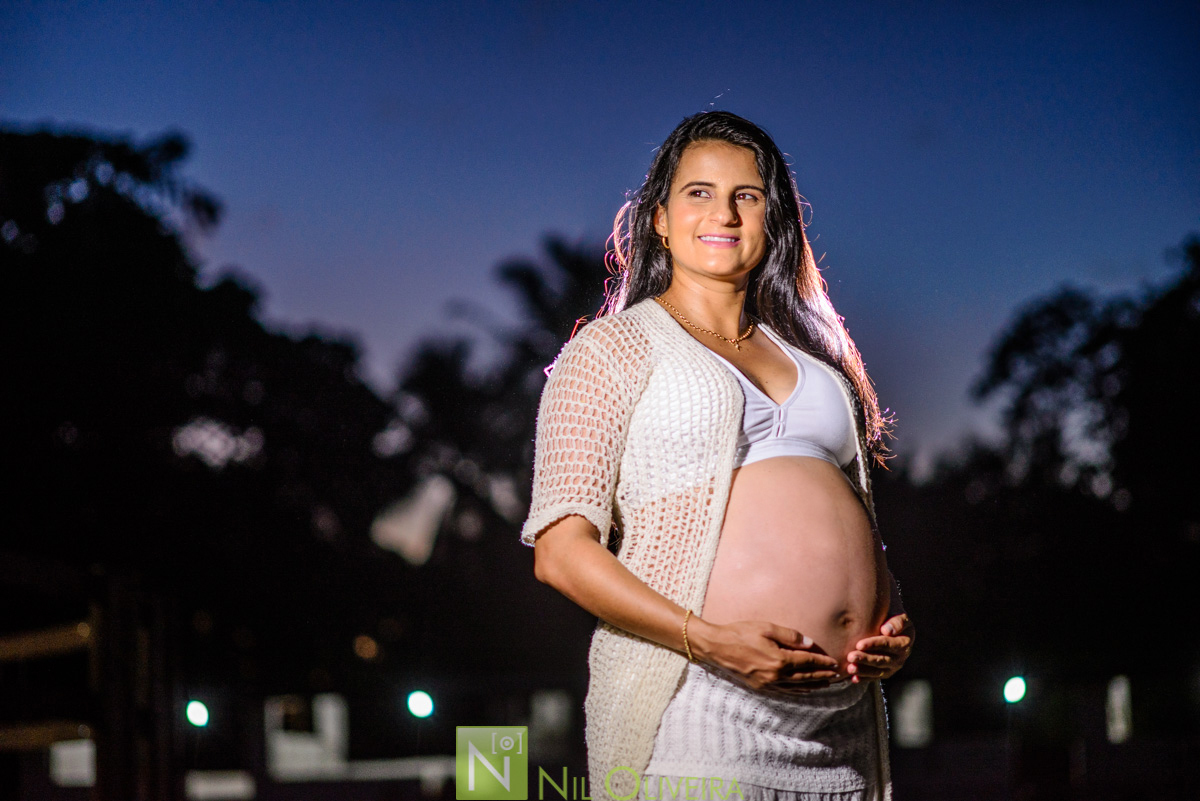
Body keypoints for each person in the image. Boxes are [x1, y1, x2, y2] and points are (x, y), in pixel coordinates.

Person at [519, 111, 914, 801]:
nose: (723, 212)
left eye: (747, 195)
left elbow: (859, 536)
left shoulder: (823, 367)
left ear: (774, 218)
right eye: (698, 192)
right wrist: (706, 638)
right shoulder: (612, 351)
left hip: (844, 733)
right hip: (697, 715)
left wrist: (890, 624)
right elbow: (560, 551)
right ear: (659, 220)